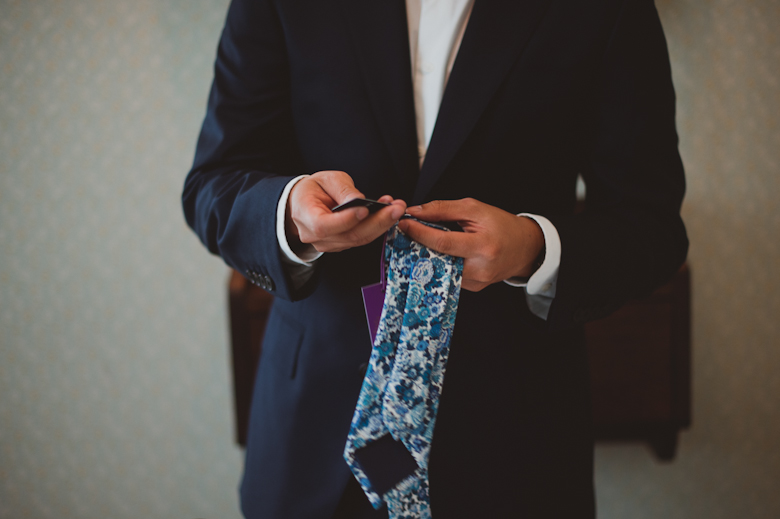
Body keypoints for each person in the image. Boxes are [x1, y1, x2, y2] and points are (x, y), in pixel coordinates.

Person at [182, 0, 688, 517]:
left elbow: (651, 225)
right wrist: (290, 215)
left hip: (517, 439)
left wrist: (533, 249)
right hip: (316, 435)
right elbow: (214, 184)